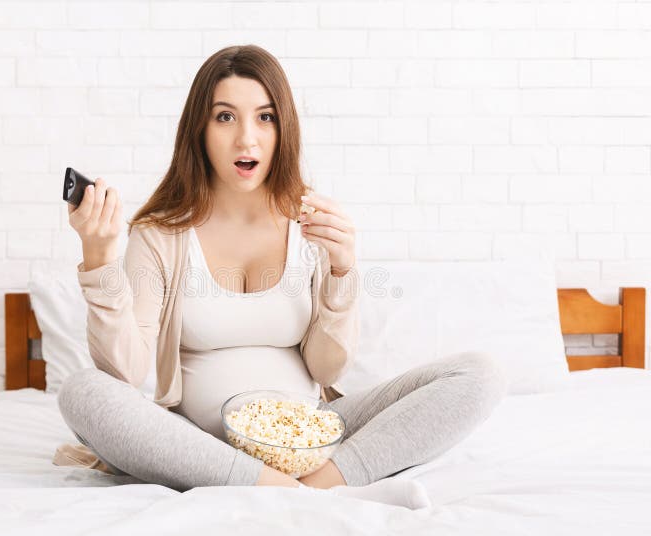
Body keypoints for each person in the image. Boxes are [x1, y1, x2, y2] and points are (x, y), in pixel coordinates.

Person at [58, 44, 508, 509]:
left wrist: (341, 272)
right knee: (84, 392)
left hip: (311, 432)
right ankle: (323, 491)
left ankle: (311, 485)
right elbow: (124, 374)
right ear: (200, 129)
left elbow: (327, 369)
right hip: (202, 444)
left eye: (265, 117)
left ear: (283, 127)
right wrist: (99, 258)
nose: (246, 139)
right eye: (225, 117)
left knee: (480, 374)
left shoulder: (311, 222)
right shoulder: (161, 235)